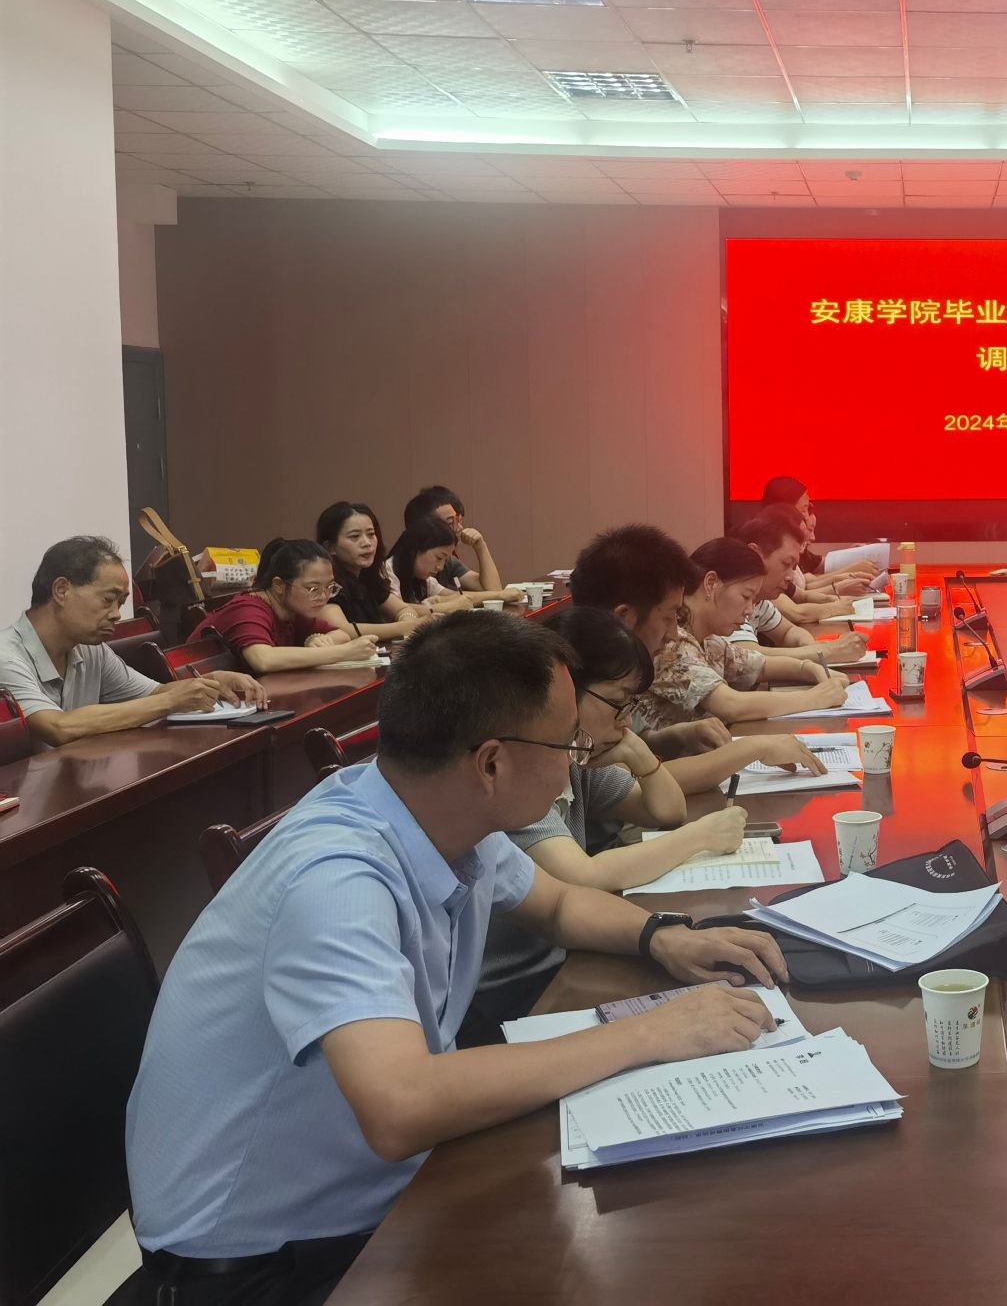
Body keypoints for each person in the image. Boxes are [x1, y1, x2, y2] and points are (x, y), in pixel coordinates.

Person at [125, 613, 784, 1304]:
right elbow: (401, 1104)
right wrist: (651, 1034)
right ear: (491, 763)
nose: (580, 755)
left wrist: (664, 937)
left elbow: (559, 904)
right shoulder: (336, 878)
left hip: (379, 1193)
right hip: (259, 1264)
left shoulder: (436, 810)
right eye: (566, 741)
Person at [463, 608, 752, 1044]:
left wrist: (639, 754)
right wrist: (702, 835)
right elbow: (582, 878)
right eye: (620, 703)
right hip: (507, 997)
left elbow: (664, 813)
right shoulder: (519, 778)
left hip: (557, 966)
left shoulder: (573, 759)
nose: (627, 719)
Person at [567, 524, 830, 776]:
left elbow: (640, 742)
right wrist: (754, 749)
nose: (674, 632)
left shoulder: (624, 671)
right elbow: (630, 787)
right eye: (669, 617)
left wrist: (679, 736)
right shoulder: (585, 696)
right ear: (624, 619)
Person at [0, 535, 266, 746]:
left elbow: (154, 693)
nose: (117, 614)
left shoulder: (90, 650)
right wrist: (171, 701)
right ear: (61, 590)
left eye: (121, 603)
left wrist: (211, 682)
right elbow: (57, 727)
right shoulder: (7, 656)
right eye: (108, 600)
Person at [640, 539, 848, 729]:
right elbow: (731, 705)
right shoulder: (672, 640)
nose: (749, 610)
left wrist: (809, 669)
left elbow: (760, 665)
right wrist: (815, 698)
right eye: (745, 596)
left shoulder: (709, 642)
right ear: (711, 583)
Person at [198, 539, 381, 674]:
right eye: (313, 588)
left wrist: (319, 640)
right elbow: (264, 659)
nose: (324, 596)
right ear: (279, 585)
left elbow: (341, 634)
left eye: (330, 587)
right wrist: (343, 652)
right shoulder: (248, 609)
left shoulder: (292, 609)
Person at [733, 508, 868, 665]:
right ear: (755, 554)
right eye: (786, 564)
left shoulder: (760, 601)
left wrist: (814, 648)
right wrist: (827, 652)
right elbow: (749, 654)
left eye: (793, 567)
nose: (790, 577)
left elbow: (788, 632)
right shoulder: (732, 594)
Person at [316, 501, 428, 645]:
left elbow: (402, 608)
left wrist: (407, 619)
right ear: (330, 547)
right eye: (355, 536)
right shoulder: (325, 584)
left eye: (371, 534)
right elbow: (344, 629)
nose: (367, 543)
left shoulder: (367, 577)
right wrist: (406, 627)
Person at [386, 514, 523, 616]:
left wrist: (500, 595)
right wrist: (448, 606)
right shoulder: (387, 572)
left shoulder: (425, 580)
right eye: (439, 558)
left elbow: (459, 597)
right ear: (415, 549)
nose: (440, 567)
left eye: (444, 561)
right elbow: (400, 609)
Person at [764, 476, 878, 596]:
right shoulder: (770, 545)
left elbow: (806, 584)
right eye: (804, 510)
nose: (807, 517)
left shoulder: (793, 546)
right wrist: (840, 587)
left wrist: (851, 560)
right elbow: (798, 600)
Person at [404, 484, 506, 597]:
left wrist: (481, 547)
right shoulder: (395, 572)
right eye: (450, 522)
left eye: (458, 521)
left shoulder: (447, 562)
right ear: (426, 527)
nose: (460, 528)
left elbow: (494, 592)